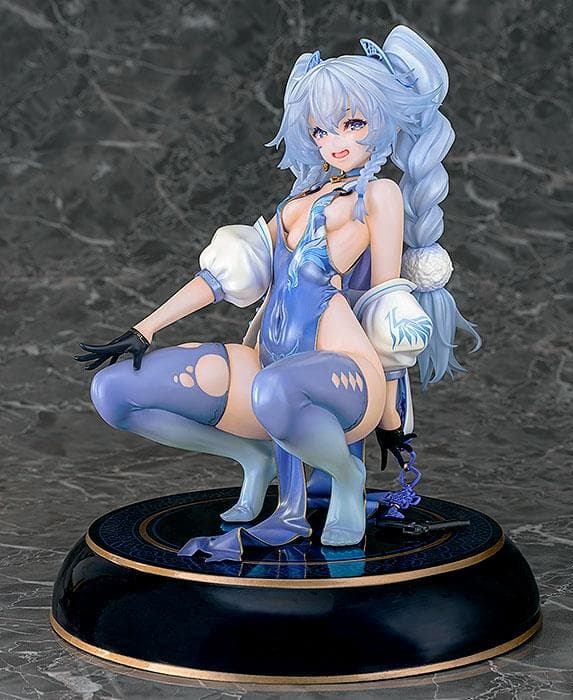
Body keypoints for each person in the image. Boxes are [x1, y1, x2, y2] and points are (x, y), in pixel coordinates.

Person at [75, 26, 480, 562]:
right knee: (114, 392)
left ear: (382, 121)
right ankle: (255, 460)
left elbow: (386, 303)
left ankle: (347, 477)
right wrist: (144, 329)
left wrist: (390, 418)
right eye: (320, 130)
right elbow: (223, 277)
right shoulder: (296, 202)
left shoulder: (380, 195)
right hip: (270, 363)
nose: (335, 140)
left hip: (344, 378)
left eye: (353, 123)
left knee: (275, 389)